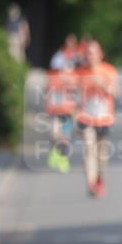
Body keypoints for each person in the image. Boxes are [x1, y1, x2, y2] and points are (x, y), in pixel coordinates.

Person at [75, 40, 119, 197]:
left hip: (104, 118)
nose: (90, 56)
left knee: (101, 155)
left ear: (100, 54)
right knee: (88, 149)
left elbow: (116, 92)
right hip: (86, 117)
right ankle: (91, 182)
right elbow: (74, 97)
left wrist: (103, 85)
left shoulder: (108, 70)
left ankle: (100, 179)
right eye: (87, 53)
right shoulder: (80, 73)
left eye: (93, 52)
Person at [45, 40, 78, 173]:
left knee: (65, 137)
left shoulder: (74, 77)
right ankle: (55, 152)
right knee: (54, 134)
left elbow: (78, 94)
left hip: (68, 111)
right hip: (55, 111)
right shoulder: (53, 77)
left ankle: (63, 158)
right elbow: (48, 92)